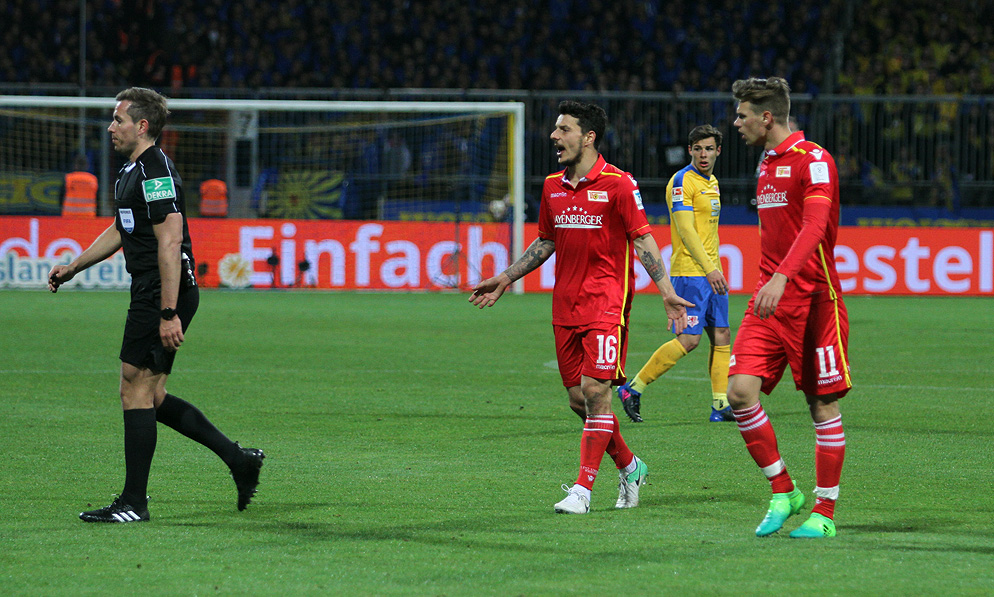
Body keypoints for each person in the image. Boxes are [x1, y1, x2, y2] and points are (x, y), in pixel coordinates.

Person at [48, 87, 264, 523]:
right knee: (152, 393)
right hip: (152, 289)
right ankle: (239, 460)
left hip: (163, 291)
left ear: (142, 126)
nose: (111, 127)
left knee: (134, 389)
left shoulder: (156, 171)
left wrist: (168, 312)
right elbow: (121, 228)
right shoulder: (131, 171)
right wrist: (74, 267)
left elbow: (170, 242)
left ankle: (133, 503)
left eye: (119, 120)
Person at [470, 101, 693, 514]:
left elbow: (642, 238)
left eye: (564, 129)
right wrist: (506, 277)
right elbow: (546, 241)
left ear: (588, 137)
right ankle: (631, 466)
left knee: (596, 391)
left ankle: (582, 491)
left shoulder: (620, 184)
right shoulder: (552, 186)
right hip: (565, 306)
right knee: (579, 400)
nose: (554, 136)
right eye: (556, 129)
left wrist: (666, 290)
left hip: (606, 303)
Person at [729, 77, 851, 539]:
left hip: (814, 302)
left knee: (821, 404)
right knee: (739, 392)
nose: (736, 123)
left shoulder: (814, 160)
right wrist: (773, 280)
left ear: (766, 117)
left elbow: (815, 225)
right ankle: (784, 490)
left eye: (742, 115)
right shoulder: (765, 162)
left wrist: (782, 277)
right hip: (770, 300)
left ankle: (824, 513)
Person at [617, 124, 733, 423]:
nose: (703, 154)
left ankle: (720, 405)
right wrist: (709, 269)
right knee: (689, 340)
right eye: (698, 149)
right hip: (691, 273)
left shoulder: (712, 182)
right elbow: (686, 230)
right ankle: (633, 388)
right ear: (690, 150)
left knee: (721, 334)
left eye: (709, 149)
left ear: (718, 151)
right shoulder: (682, 181)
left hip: (712, 272)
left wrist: (715, 268)